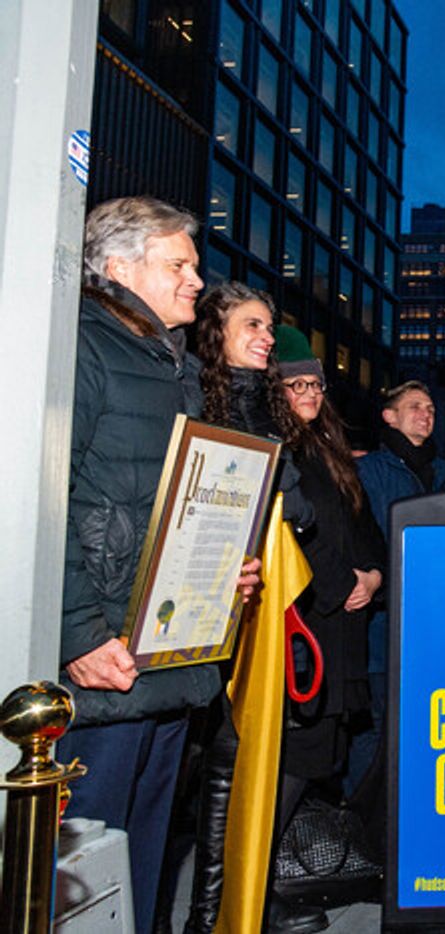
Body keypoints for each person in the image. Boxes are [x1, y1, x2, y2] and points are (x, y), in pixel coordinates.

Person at [58, 196, 259, 934]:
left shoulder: (175, 365)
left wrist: (225, 566)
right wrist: (77, 633)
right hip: (106, 661)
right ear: (118, 267)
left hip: (167, 657)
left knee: (142, 860)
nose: (196, 281)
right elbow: (43, 496)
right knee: (83, 867)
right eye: (178, 265)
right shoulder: (82, 347)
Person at [184, 283, 322, 934]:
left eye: (269, 327)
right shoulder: (191, 395)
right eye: (253, 325)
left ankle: (220, 912)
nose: (267, 337)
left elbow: (300, 508)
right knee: (204, 765)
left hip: (256, 611)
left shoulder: (269, 412)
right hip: (196, 604)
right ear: (217, 333)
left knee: (233, 760)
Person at [275, 324, 384, 866]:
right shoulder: (281, 450)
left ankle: (280, 869)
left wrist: (374, 577)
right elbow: (296, 534)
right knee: (300, 755)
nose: (311, 394)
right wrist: (343, 585)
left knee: (326, 754)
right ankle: (257, 878)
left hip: (346, 629)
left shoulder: (330, 449)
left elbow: (366, 528)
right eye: (297, 385)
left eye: (315, 385)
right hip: (309, 625)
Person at [351, 381, 445, 793]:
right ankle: (362, 812)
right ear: (389, 417)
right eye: (415, 407)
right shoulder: (369, 472)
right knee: (375, 723)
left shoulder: (443, 473)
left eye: (431, 408)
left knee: (424, 723)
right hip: (382, 622)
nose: (426, 414)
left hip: (433, 623)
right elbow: (365, 540)